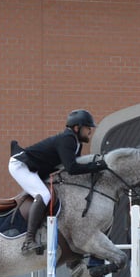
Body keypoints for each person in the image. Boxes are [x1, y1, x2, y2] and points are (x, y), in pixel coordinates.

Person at [9, 109, 107, 255]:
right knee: (44, 194)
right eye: (88, 128)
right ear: (76, 128)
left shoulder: (76, 143)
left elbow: (72, 169)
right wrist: (95, 166)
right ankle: (28, 241)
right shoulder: (67, 139)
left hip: (35, 169)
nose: (90, 131)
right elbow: (72, 168)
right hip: (21, 166)